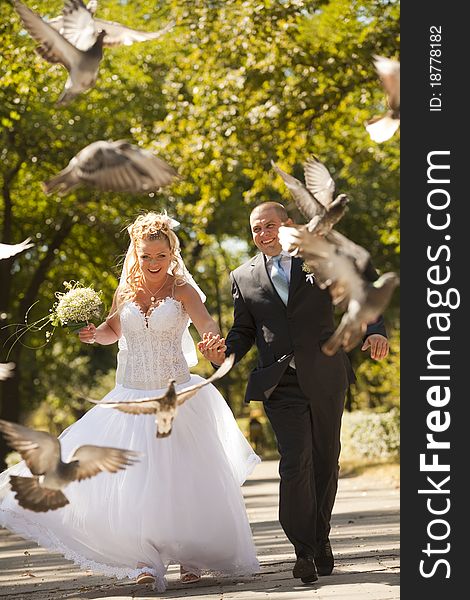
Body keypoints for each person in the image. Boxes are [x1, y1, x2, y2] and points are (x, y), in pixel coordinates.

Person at [0, 212, 260, 591]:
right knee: (136, 482)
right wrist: (93, 334)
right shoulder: (124, 292)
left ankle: (192, 555)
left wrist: (212, 342)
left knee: (184, 479)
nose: (154, 264)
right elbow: (111, 332)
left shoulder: (183, 290)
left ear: (172, 253)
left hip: (176, 396)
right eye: (146, 257)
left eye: (161, 256)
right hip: (132, 396)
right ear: (135, 254)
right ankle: (145, 559)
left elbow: (207, 326)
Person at [199, 201, 389, 584]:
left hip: (326, 374)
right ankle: (303, 550)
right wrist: (223, 353)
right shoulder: (242, 276)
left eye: (269, 225)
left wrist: (375, 330)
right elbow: (244, 332)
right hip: (278, 383)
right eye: (256, 229)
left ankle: (321, 537)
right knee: (294, 460)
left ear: (287, 225)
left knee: (325, 460)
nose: (263, 234)